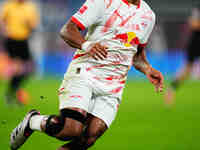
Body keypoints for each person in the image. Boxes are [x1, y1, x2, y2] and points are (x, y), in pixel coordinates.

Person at [10, 0, 164, 149]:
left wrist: (148, 69)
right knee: (71, 129)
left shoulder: (148, 15)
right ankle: (33, 121)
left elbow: (137, 56)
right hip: (85, 73)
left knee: (88, 138)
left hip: (113, 86)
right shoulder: (103, 2)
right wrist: (87, 44)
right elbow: (67, 30)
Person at [0, 0, 40, 104]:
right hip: (11, 39)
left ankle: (13, 91)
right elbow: (2, 20)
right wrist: (5, 31)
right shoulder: (9, 5)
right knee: (18, 68)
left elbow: (33, 25)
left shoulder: (30, 7)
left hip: (23, 40)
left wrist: (29, 25)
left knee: (29, 68)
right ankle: (12, 94)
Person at [165, 3, 200, 105]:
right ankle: (171, 89)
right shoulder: (198, 8)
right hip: (196, 42)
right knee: (187, 70)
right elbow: (193, 23)